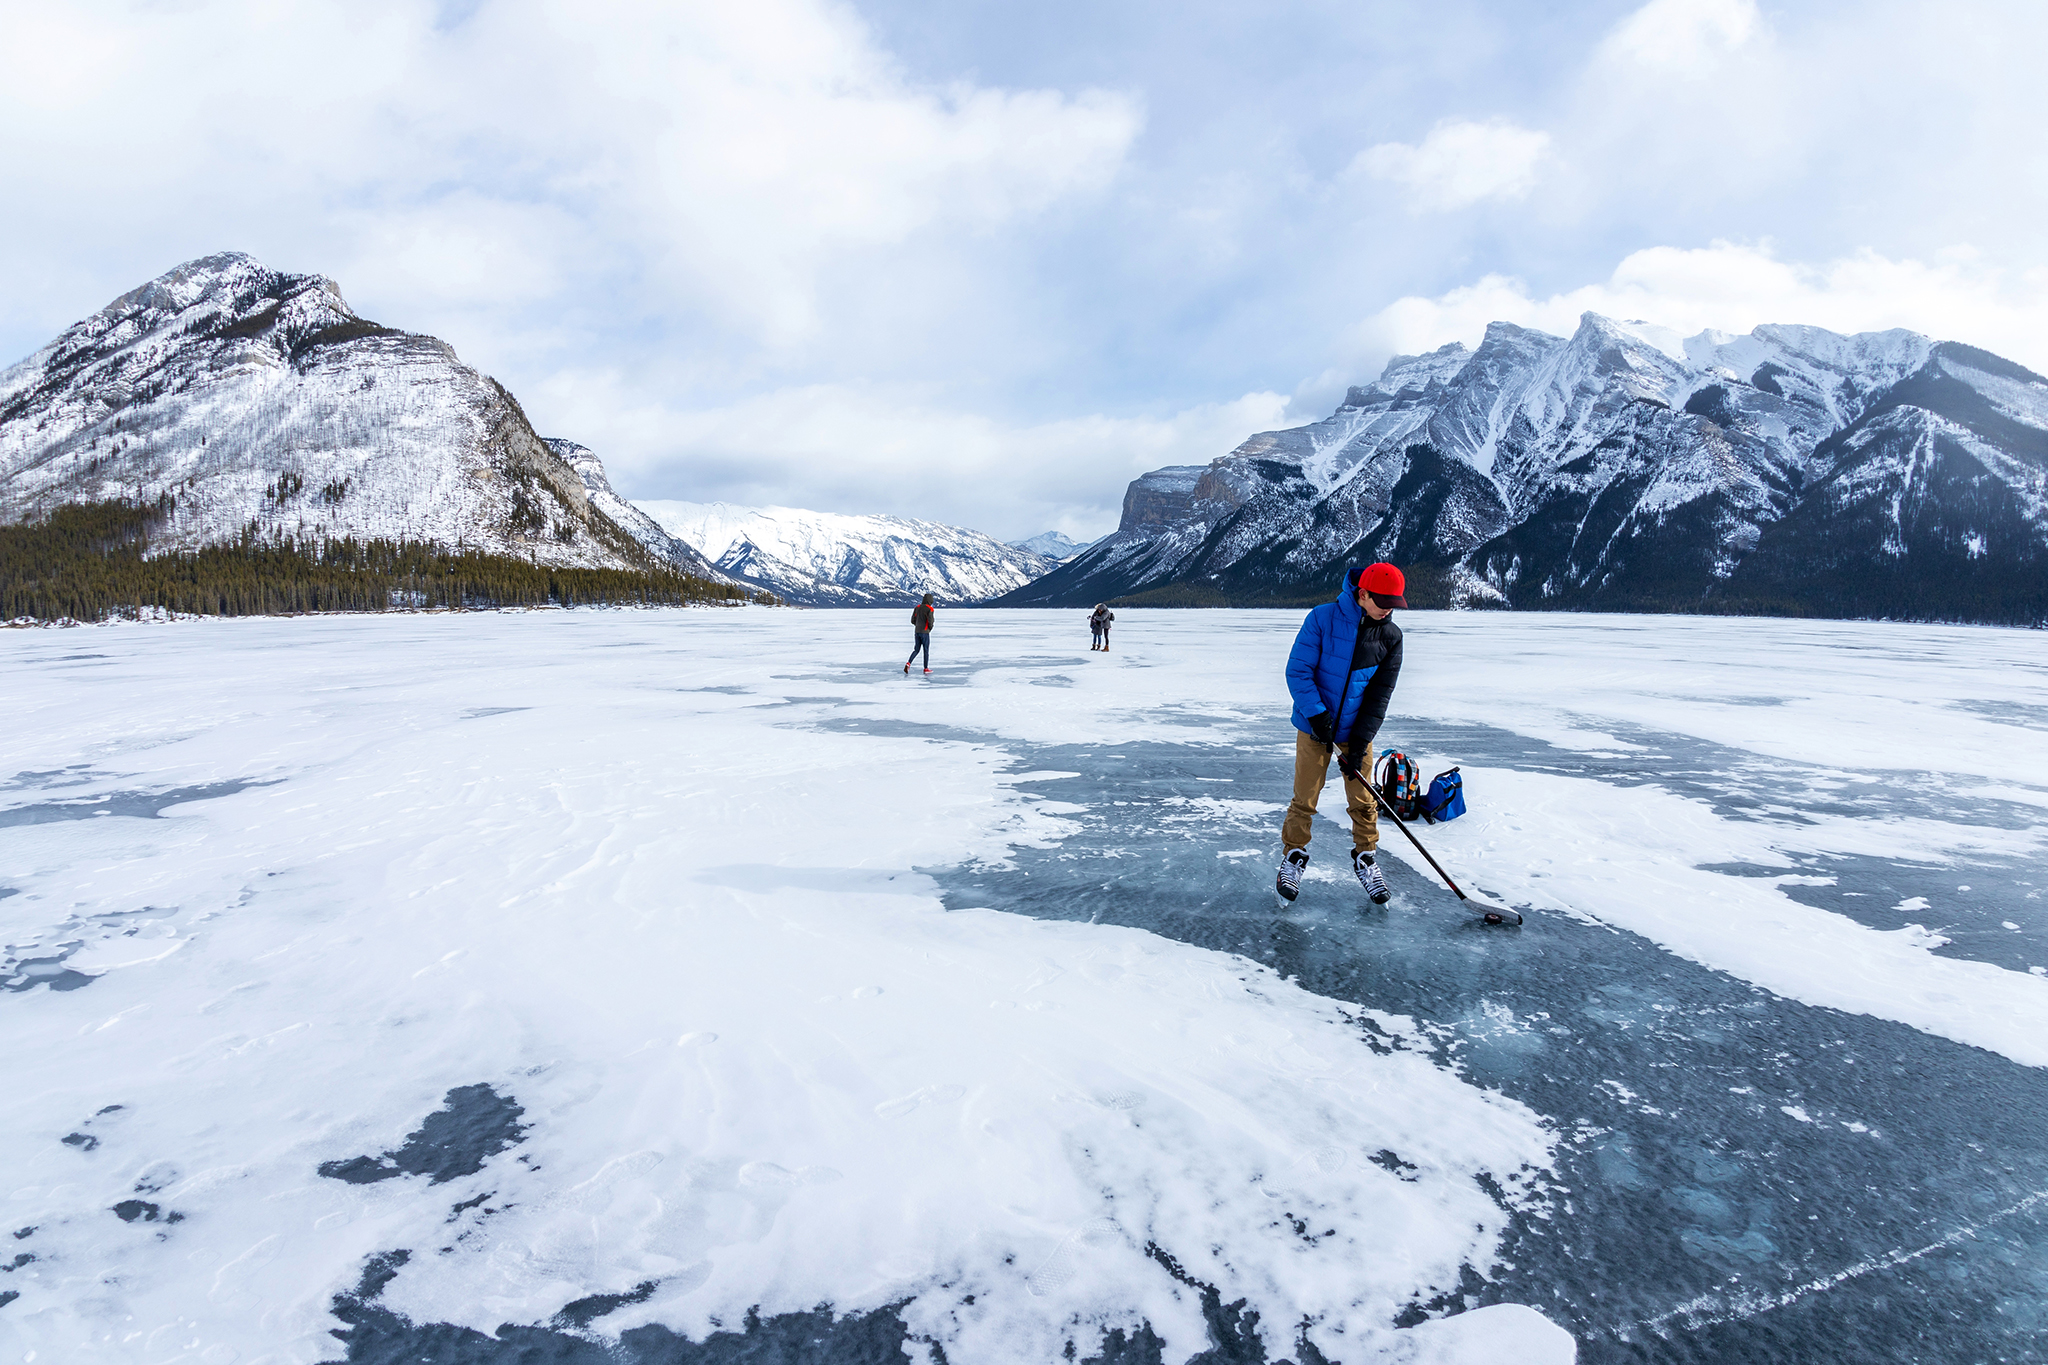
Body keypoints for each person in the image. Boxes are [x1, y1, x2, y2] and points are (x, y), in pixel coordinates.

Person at [1274, 562, 1405, 905]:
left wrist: (1361, 741)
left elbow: (1379, 696)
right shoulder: (1322, 618)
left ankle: (1366, 858)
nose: (1390, 609)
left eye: (1395, 602)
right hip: (1315, 726)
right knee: (1305, 798)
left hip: (1355, 730)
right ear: (1363, 595)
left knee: (1364, 801)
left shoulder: (1390, 637)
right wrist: (1317, 716)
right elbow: (1298, 671)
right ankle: (1294, 856)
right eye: (1384, 601)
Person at [905, 592, 935, 674]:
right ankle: (926, 668)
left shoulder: (917, 607)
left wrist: (918, 625)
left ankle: (908, 663)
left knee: (916, 650)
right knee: (926, 650)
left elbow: (912, 620)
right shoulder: (930, 609)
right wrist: (929, 628)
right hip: (925, 632)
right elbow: (930, 621)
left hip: (917, 631)